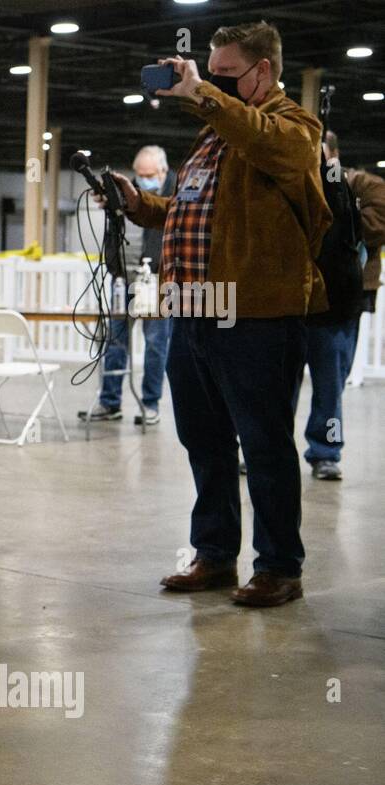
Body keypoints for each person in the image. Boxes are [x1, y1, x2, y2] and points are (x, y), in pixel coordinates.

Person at [112, 20, 331, 608]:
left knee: (263, 445)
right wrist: (143, 206)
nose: (215, 85)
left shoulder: (296, 128)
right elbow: (196, 209)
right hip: (194, 309)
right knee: (204, 441)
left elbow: (270, 143)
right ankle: (213, 553)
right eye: (211, 75)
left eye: (227, 75)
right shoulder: (213, 139)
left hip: (256, 313)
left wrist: (202, 96)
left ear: (263, 71)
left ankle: (280, 567)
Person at [297, 132, 385, 480]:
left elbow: (378, 222)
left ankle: (326, 452)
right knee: (275, 386)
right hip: (292, 300)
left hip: (340, 303)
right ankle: (266, 448)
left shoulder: (361, 183)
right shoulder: (291, 183)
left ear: (332, 153)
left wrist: (337, 209)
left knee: (330, 385)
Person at [81, 145, 176, 425]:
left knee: (156, 344)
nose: (143, 179)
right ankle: (110, 402)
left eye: (148, 174)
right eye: (139, 174)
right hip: (123, 277)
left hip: (155, 279)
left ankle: (150, 404)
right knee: (115, 341)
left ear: (163, 171)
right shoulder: (128, 192)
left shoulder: (175, 191)